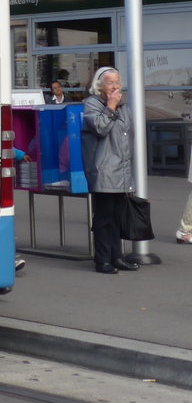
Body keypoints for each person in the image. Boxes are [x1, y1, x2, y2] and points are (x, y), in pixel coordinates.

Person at [82, 66, 140, 274]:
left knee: (117, 216)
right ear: (99, 85)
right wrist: (111, 106)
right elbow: (100, 128)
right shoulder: (91, 104)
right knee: (104, 216)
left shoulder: (124, 106)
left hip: (122, 169)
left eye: (117, 82)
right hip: (103, 170)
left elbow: (129, 135)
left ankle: (117, 257)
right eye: (110, 82)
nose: (115, 86)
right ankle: (102, 260)